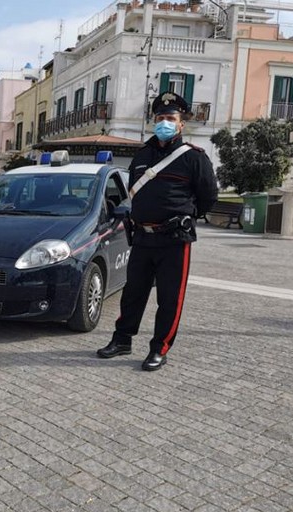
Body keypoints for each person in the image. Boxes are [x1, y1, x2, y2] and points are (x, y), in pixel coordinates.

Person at [96, 91, 218, 371]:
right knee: (133, 294)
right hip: (141, 238)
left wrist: (185, 216)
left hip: (175, 240)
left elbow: (209, 196)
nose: (165, 122)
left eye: (171, 118)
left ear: (181, 123)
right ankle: (122, 339)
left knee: (169, 299)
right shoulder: (141, 156)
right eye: (160, 117)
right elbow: (135, 192)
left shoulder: (194, 159)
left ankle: (159, 348)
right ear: (154, 120)